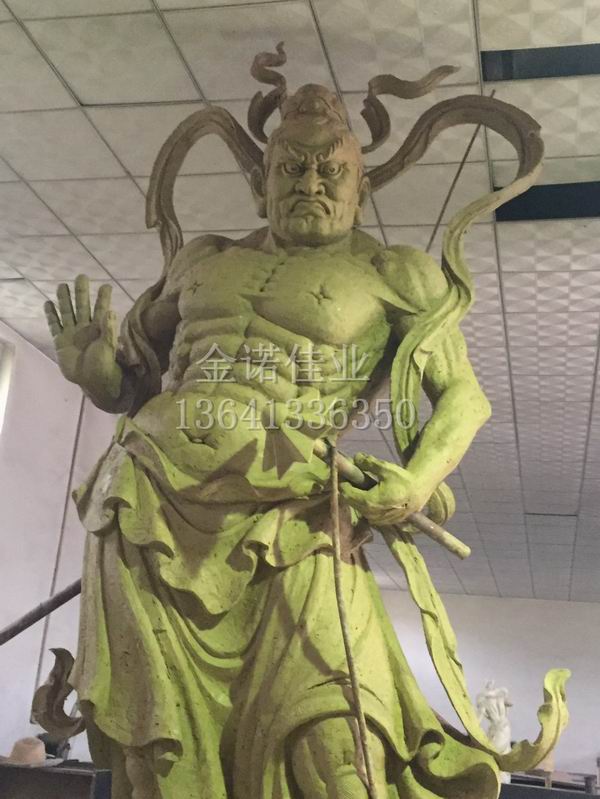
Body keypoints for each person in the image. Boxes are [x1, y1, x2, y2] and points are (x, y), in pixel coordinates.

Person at [43, 52, 568, 799]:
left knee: (337, 737)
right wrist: (91, 369)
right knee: (155, 754)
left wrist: (416, 481)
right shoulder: (202, 260)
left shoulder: (396, 275)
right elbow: (129, 383)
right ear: (261, 183)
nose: (311, 184)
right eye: (292, 168)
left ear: (362, 184)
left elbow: (464, 398)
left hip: (294, 510)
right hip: (148, 499)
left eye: (330, 170)